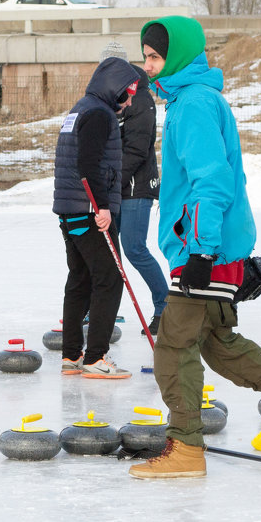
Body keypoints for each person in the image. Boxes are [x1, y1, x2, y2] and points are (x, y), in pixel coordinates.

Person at [127, 17, 261, 479]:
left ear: (178, 57)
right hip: (212, 247)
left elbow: (213, 181)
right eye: (146, 56)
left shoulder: (194, 105)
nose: (149, 66)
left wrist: (200, 251)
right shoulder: (193, 100)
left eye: (156, 57)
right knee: (220, 346)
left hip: (204, 250)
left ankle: (185, 449)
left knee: (174, 347)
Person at [53, 55, 141, 379]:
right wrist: (102, 207)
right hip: (89, 210)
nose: (130, 100)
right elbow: (87, 164)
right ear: (113, 88)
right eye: (127, 93)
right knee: (109, 278)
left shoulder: (81, 109)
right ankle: (95, 357)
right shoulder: (99, 115)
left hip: (71, 208)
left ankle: (71, 355)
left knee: (81, 279)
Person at [101, 41, 168, 337]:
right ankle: (102, 309)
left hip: (136, 187)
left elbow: (137, 149)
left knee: (134, 248)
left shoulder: (139, 98)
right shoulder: (107, 99)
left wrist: (111, 180)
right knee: (108, 252)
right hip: (114, 187)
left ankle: (165, 306)